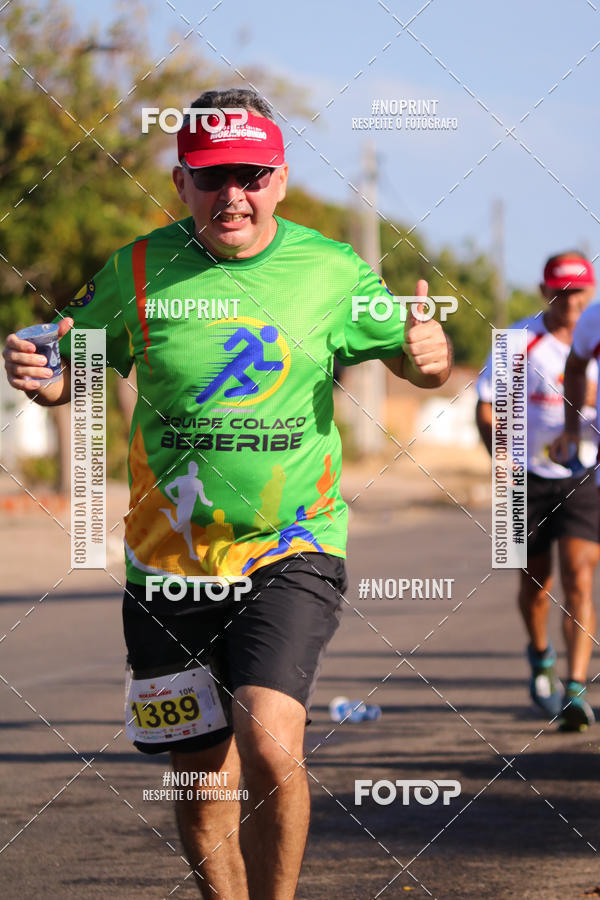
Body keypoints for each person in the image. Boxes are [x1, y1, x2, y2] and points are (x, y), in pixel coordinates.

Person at [2, 88, 451, 899]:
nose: (232, 196)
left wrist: (428, 352)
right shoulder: (137, 270)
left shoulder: (333, 270)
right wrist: (41, 375)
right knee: (201, 773)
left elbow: (416, 359)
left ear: (279, 179)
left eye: (250, 175)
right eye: (212, 179)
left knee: (270, 739)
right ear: (181, 184)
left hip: (294, 540)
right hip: (168, 560)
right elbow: (72, 364)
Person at [476, 251, 599, 733]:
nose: (570, 302)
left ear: (591, 292)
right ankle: (540, 654)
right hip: (521, 478)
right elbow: (488, 410)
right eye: (560, 292)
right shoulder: (517, 342)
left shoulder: (595, 336)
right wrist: (502, 461)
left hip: (584, 473)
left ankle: (574, 686)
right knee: (534, 584)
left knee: (580, 577)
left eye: (579, 292)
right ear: (543, 290)